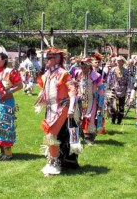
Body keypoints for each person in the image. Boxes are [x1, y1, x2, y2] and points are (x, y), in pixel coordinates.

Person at [36, 47, 79, 176]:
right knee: (51, 134)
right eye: (46, 57)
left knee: (51, 135)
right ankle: (53, 160)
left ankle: (55, 163)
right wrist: (41, 100)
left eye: (50, 57)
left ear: (57, 59)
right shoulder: (47, 74)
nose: (46, 60)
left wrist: (71, 108)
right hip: (51, 109)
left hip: (62, 108)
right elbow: (46, 91)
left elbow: (73, 92)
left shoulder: (63, 73)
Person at [75, 58, 105, 145]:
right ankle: (82, 133)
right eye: (82, 67)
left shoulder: (96, 76)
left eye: (85, 67)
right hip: (81, 100)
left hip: (92, 100)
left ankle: (90, 137)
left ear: (89, 66)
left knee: (90, 118)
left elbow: (101, 90)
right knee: (78, 117)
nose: (83, 69)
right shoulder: (79, 74)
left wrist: (100, 104)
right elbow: (76, 85)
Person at [107, 55, 131, 124]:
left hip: (123, 91)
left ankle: (119, 120)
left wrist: (128, 92)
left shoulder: (126, 71)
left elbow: (128, 81)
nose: (118, 62)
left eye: (120, 61)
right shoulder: (113, 70)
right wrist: (109, 88)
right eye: (117, 61)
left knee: (121, 107)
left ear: (122, 62)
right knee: (113, 106)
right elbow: (109, 79)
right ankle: (113, 119)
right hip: (114, 90)